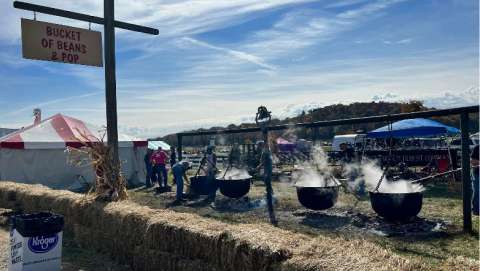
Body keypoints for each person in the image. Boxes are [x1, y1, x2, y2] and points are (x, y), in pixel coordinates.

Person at [471, 144, 479, 215]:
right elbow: (473, 161)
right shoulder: (477, 147)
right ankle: (476, 210)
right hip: (477, 174)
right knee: (477, 192)